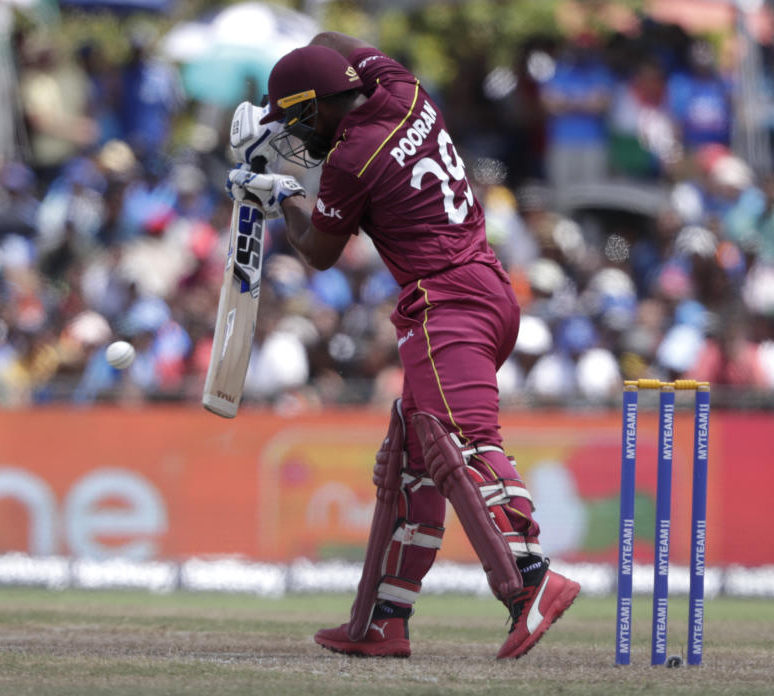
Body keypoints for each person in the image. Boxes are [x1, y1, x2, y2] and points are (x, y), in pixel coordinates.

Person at [225, 31, 580, 659]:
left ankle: (532, 580)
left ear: (315, 107)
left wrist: (277, 193)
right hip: (483, 287)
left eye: (292, 121)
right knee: (411, 458)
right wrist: (280, 94)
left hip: (448, 304)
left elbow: (321, 254)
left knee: (460, 443)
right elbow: (331, 42)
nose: (292, 136)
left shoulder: (352, 159)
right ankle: (382, 619)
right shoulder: (401, 88)